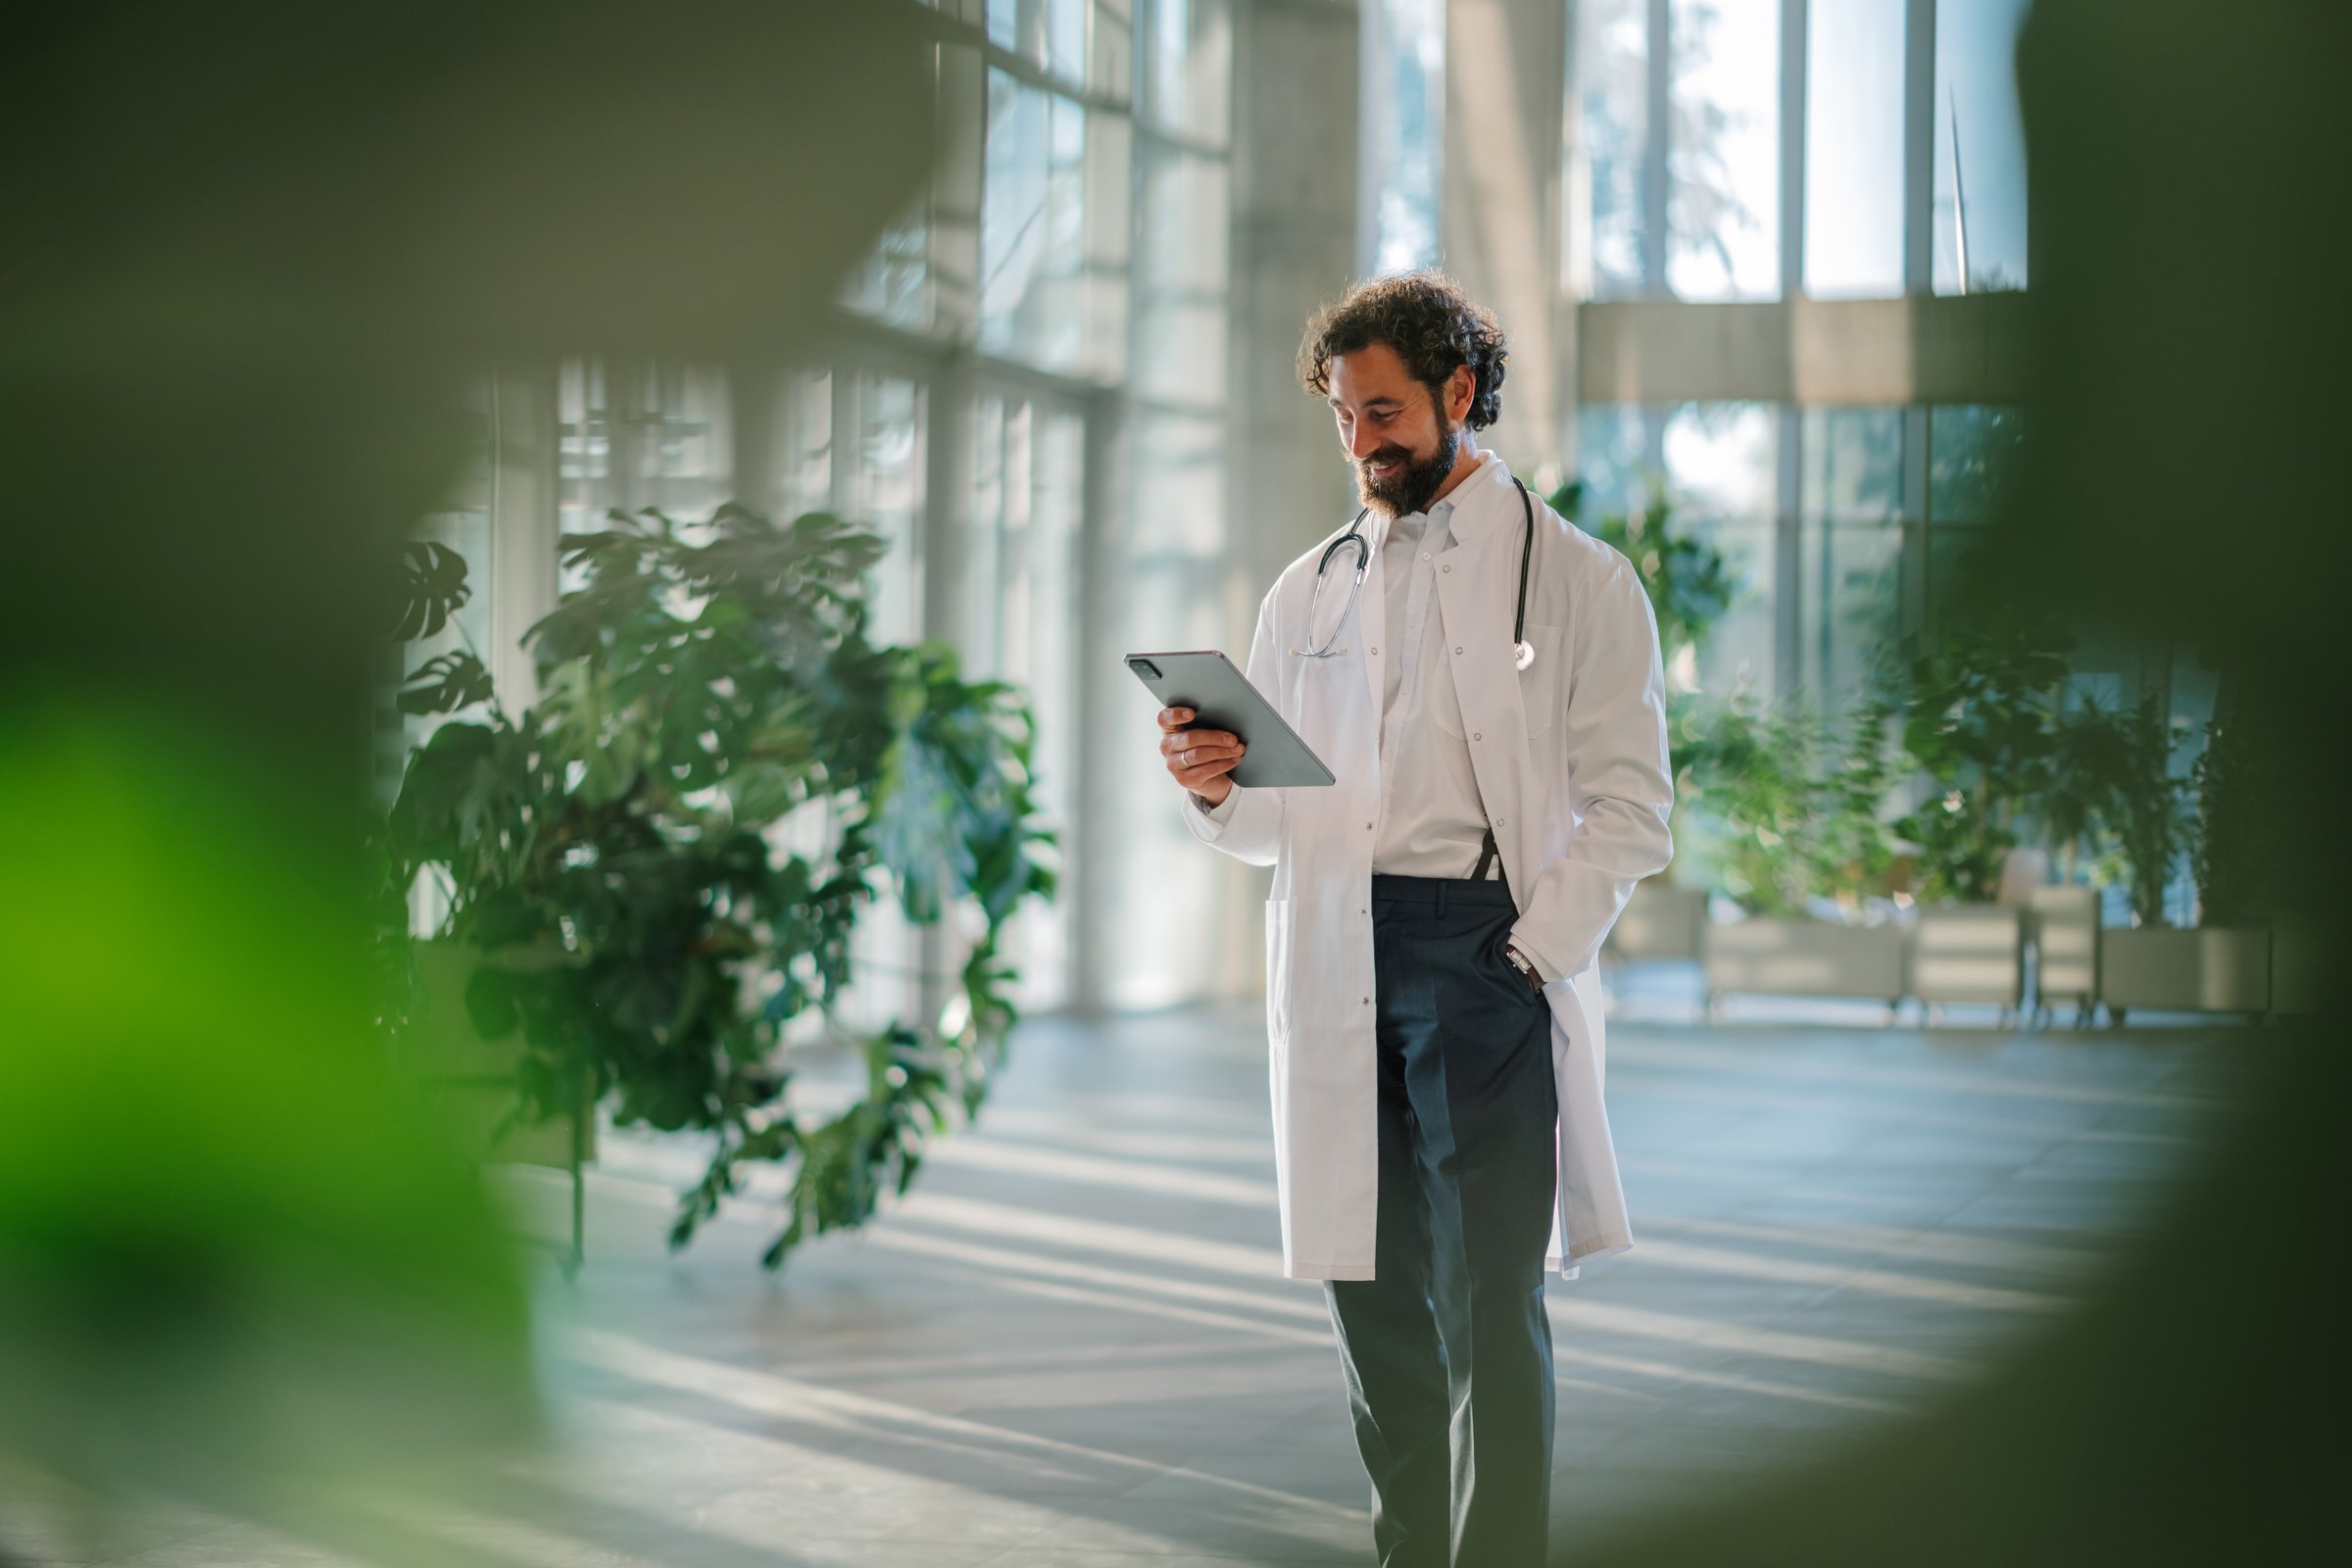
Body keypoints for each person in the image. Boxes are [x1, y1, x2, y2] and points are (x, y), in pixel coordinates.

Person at [1157, 271, 1674, 1567]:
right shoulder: (1308, 590)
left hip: (1484, 959)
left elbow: (1633, 811)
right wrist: (1215, 787)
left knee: (1489, 1300)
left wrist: (1531, 951)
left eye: (1382, 410)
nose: (1361, 442)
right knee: (1371, 1293)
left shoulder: (1580, 581)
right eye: (1342, 417)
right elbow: (1279, 819)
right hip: (1338, 947)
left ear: (1458, 392)